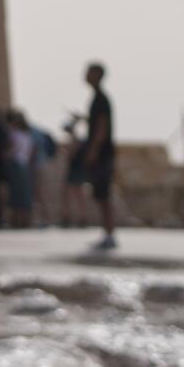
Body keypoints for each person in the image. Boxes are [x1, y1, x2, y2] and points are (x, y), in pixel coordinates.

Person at [77, 63, 118, 251]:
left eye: (88, 72)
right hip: (100, 153)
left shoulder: (101, 99)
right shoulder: (97, 98)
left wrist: (93, 152)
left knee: (103, 195)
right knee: (100, 195)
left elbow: (102, 128)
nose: (85, 75)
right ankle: (107, 232)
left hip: (102, 155)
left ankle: (110, 233)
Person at [6, 109, 37, 229]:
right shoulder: (28, 135)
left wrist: (6, 155)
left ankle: (16, 222)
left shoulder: (14, 134)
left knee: (16, 194)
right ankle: (27, 221)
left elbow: (13, 149)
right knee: (25, 194)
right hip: (25, 165)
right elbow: (31, 151)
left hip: (16, 164)